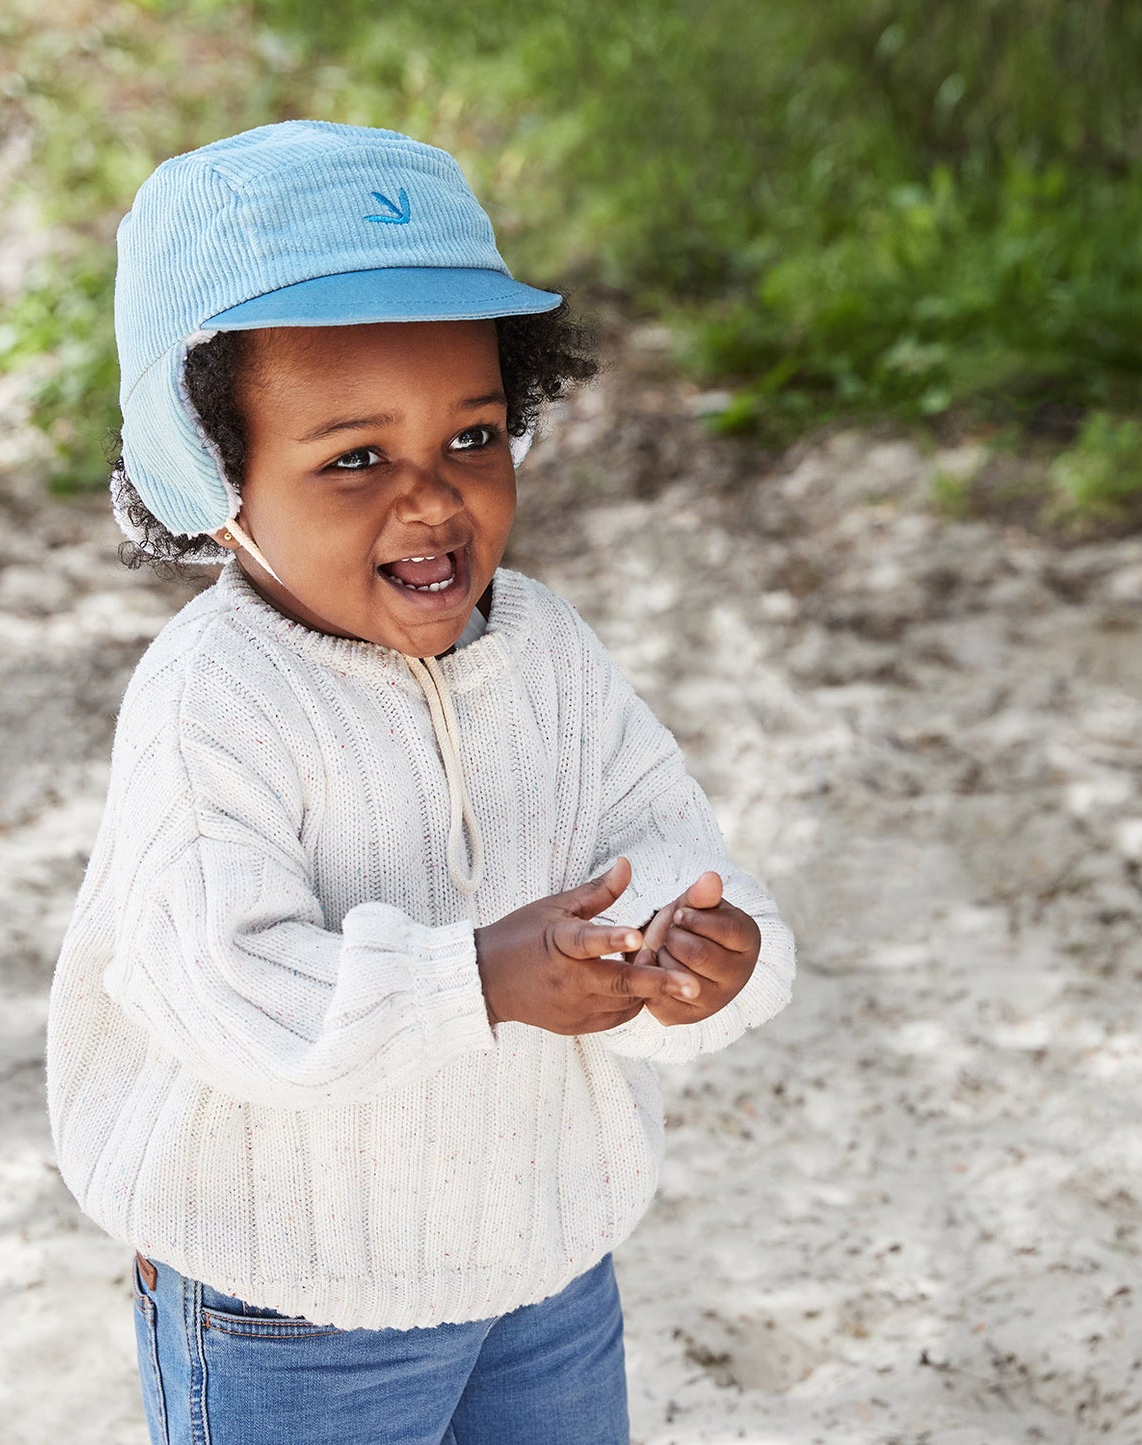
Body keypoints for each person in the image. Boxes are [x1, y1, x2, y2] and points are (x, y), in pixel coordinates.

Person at [46, 120, 795, 1445]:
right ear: (213, 477)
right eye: (352, 458)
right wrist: (481, 978)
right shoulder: (211, 699)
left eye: (471, 437)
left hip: (544, 1251)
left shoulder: (548, 649)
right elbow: (223, 985)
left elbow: (659, 837)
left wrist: (704, 950)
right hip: (288, 1299)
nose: (431, 500)